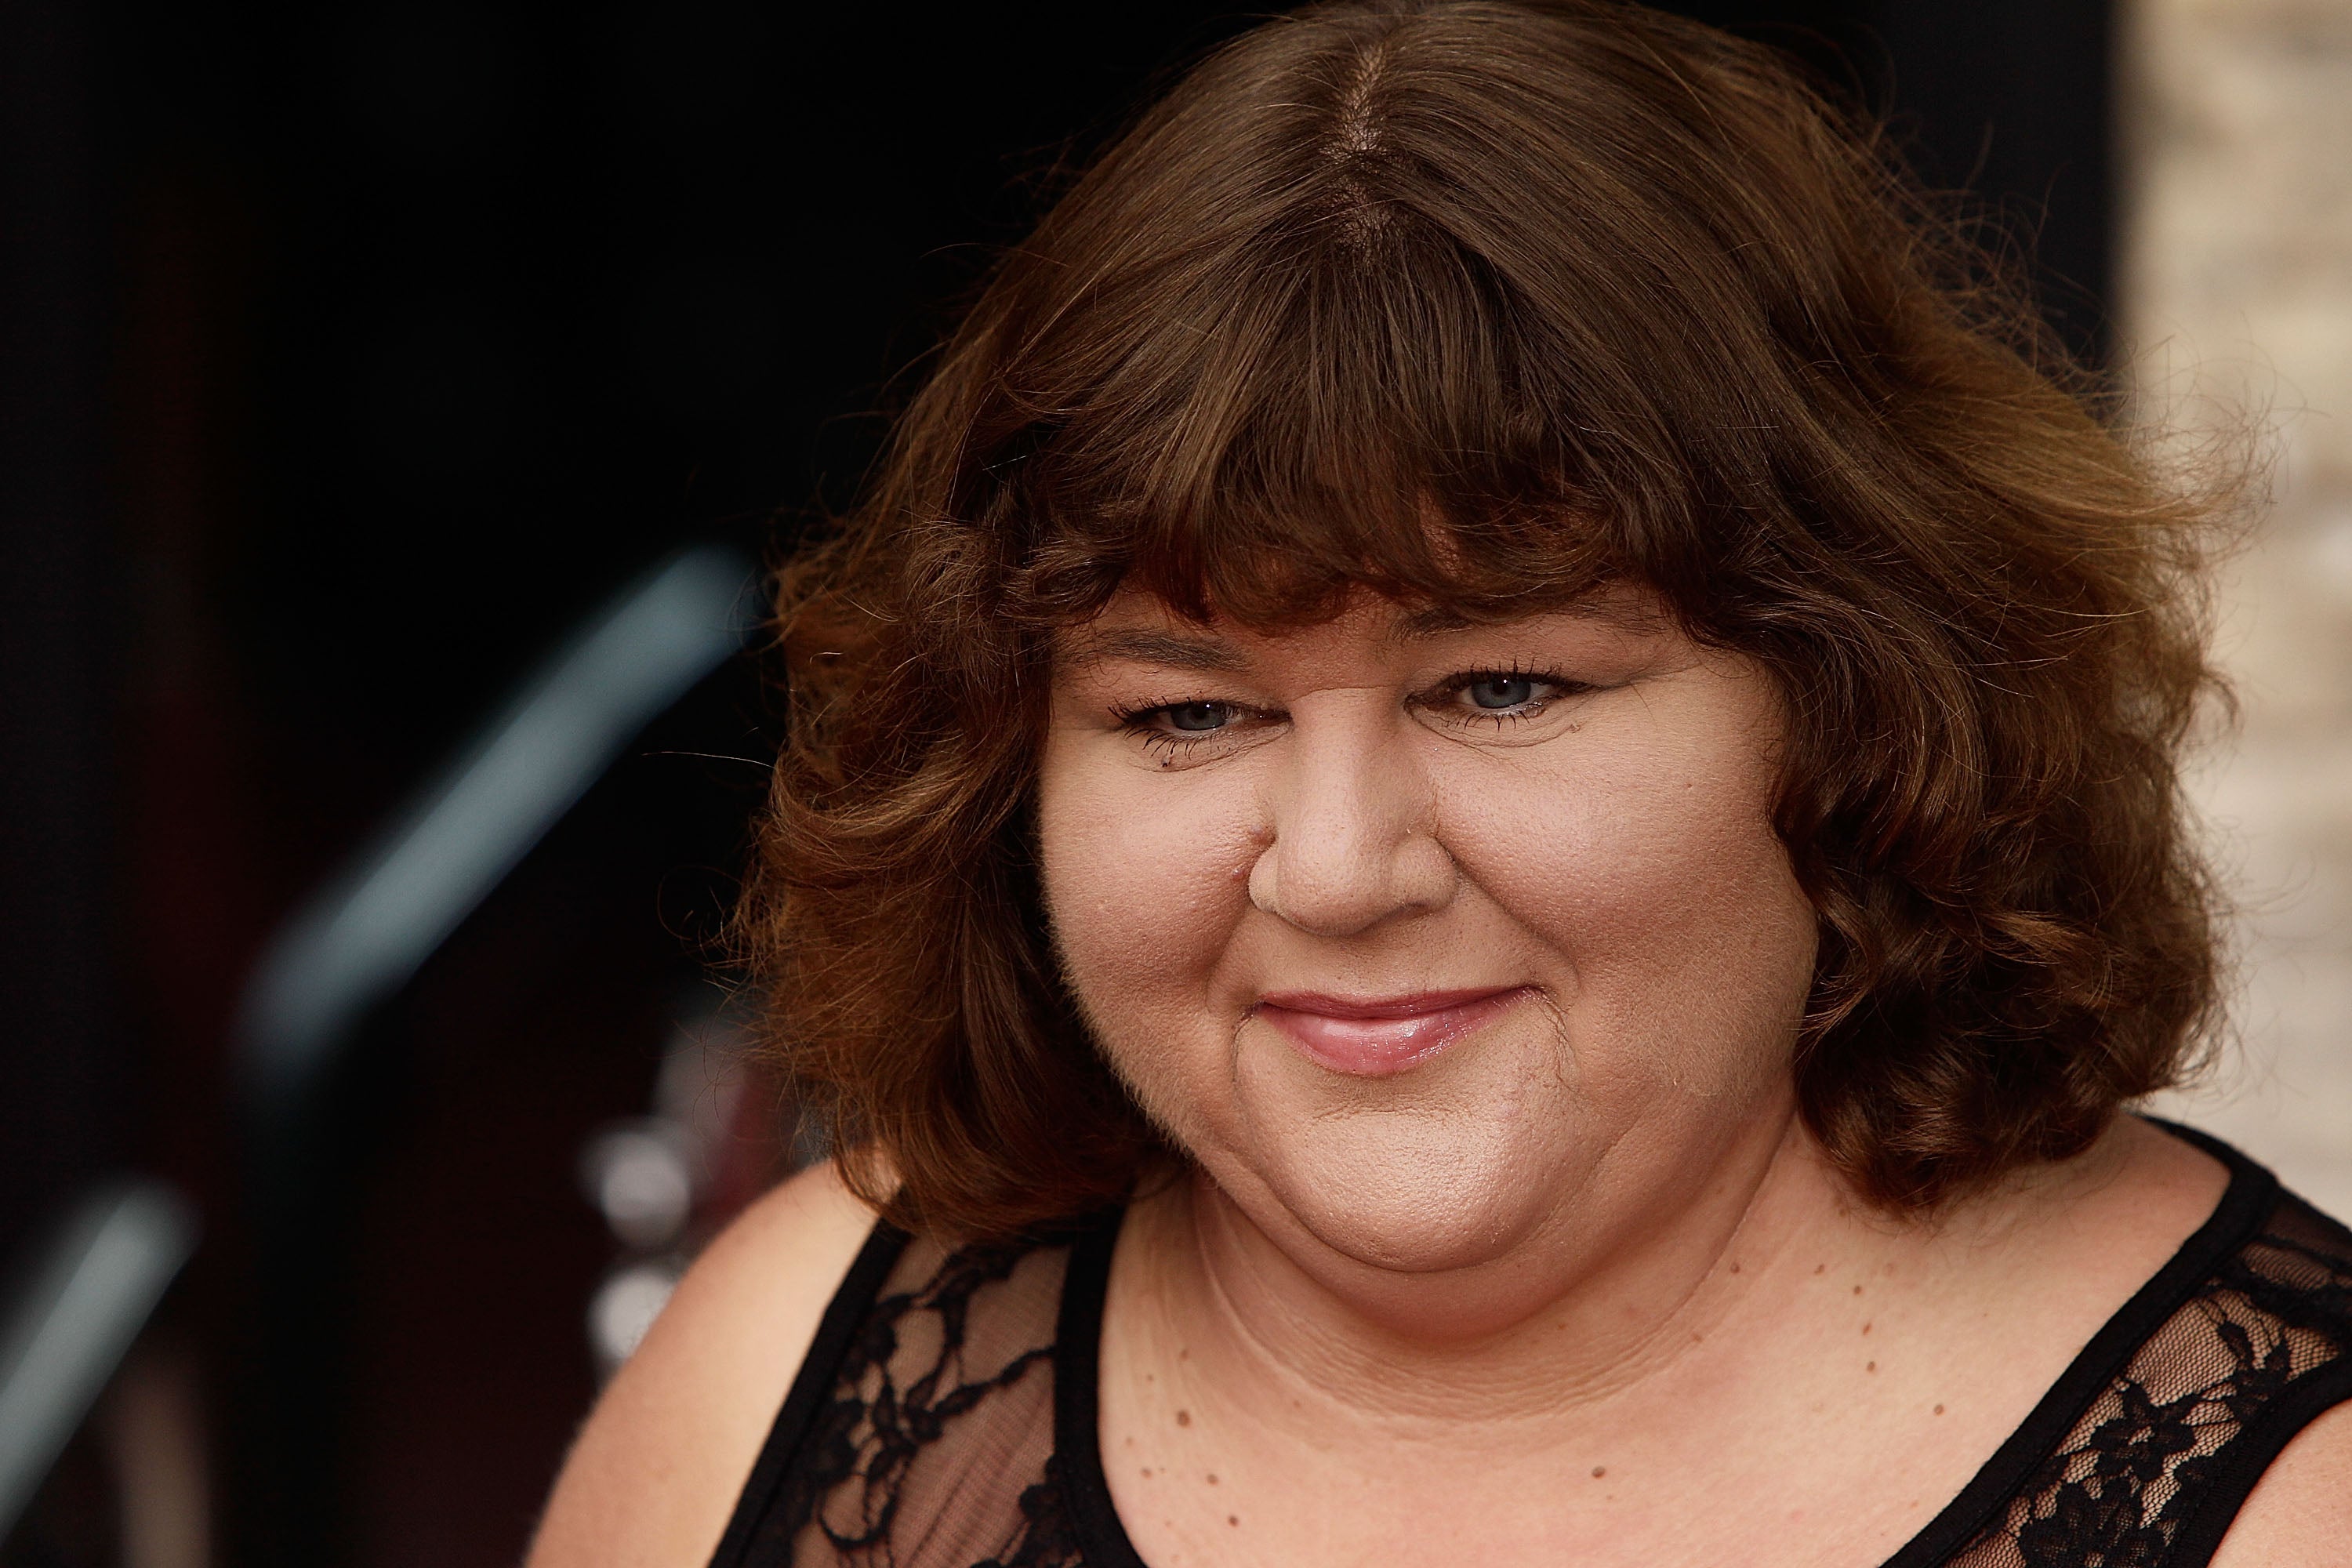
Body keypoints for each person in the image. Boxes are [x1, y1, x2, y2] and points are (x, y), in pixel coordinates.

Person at [527, 2, 2352, 1563]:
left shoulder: (2293, 1499)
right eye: (1187, 714)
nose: (1333, 870)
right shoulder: (801, 1368)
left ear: (1865, 711)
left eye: (1497, 683)